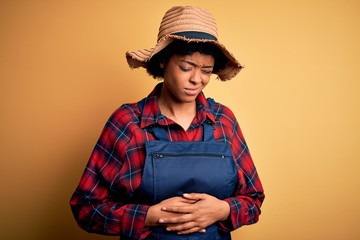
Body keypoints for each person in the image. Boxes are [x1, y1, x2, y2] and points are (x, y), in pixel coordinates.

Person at [70, 6, 265, 240]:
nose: (196, 79)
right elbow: (85, 208)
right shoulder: (128, 123)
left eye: (206, 70)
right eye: (186, 67)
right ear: (163, 62)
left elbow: (253, 201)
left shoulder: (224, 121)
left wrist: (223, 210)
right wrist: (149, 216)